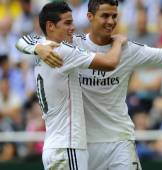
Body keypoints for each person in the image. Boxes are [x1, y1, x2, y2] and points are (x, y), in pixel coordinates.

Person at [16, 0, 162, 169]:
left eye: (114, 16)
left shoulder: (129, 50)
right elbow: (28, 39)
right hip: (84, 144)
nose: (110, 21)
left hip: (119, 140)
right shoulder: (72, 44)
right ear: (90, 16)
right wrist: (38, 47)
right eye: (105, 16)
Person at [16, 2, 126, 170]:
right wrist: (118, 41)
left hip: (55, 145)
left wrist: (36, 47)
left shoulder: (43, 47)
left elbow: (22, 41)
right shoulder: (63, 51)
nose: (73, 28)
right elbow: (110, 62)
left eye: (72, 22)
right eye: (67, 23)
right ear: (50, 26)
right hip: (68, 147)